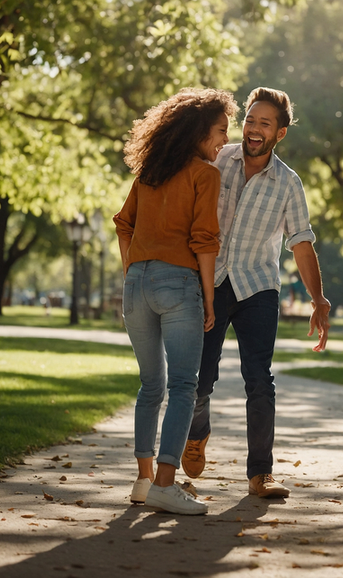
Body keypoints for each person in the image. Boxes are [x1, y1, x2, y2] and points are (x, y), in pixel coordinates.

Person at [181, 87, 331, 499]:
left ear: (280, 133)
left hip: (257, 287)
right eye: (250, 120)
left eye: (265, 123)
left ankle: (260, 473)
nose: (253, 129)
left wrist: (318, 299)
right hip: (209, 282)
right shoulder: (216, 157)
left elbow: (301, 243)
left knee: (259, 381)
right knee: (199, 379)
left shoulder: (288, 183)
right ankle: (196, 433)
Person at [113, 87, 238, 515]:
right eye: (221, 130)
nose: (225, 140)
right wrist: (208, 299)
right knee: (184, 386)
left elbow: (123, 225)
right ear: (199, 130)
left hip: (137, 286)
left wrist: (133, 271)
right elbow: (205, 242)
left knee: (151, 385)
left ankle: (143, 480)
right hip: (178, 283)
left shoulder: (149, 173)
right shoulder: (205, 174)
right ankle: (166, 485)